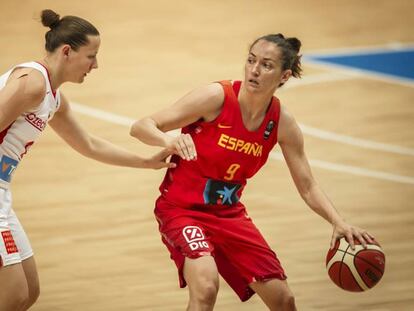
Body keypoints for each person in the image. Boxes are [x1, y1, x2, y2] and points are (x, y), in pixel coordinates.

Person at [130, 33, 375, 311]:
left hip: (229, 215)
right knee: (206, 286)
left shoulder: (282, 122)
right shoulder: (216, 97)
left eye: (266, 65)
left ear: (283, 77)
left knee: (284, 300)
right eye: (250, 60)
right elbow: (141, 126)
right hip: (181, 210)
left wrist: (337, 221)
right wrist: (169, 140)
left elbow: (307, 186)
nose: (254, 70)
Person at [0, 9, 175, 311]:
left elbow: (90, 145)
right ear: (67, 51)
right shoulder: (32, 83)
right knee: (13, 294)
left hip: (3, 193)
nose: (96, 65)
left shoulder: (53, 98)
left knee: (28, 292)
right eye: (91, 56)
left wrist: (146, 162)